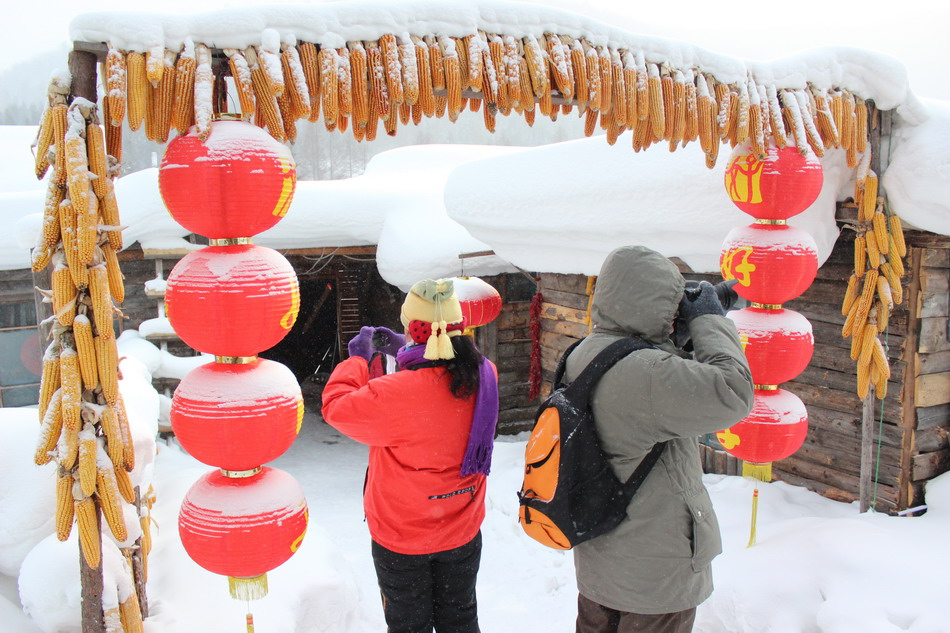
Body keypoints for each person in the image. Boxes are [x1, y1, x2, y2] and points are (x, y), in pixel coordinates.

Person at [562, 245, 754, 633]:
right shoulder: (648, 373)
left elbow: (639, 383)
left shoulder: (584, 352)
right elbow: (733, 392)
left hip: (600, 559)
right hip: (654, 578)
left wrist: (676, 335)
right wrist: (708, 321)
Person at [321, 277, 499, 633]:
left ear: (414, 331)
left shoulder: (393, 393)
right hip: (461, 529)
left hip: (401, 535)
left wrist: (357, 360)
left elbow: (336, 407)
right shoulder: (484, 374)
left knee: (407, 626)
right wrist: (407, 347)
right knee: (460, 619)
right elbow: (443, 369)